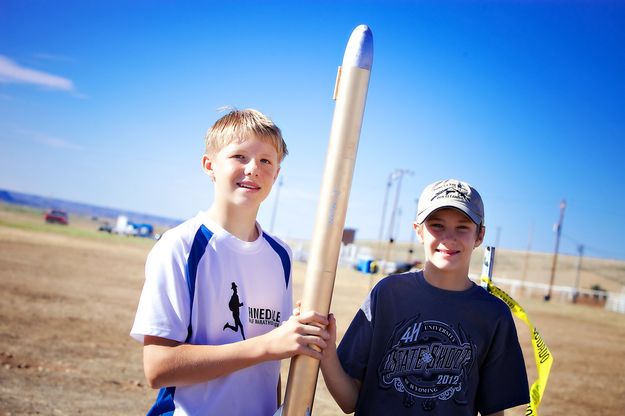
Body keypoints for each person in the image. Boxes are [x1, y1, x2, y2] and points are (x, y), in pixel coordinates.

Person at [130, 108, 329, 416]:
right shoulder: (181, 246)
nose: (253, 169)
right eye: (239, 156)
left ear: (276, 173)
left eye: (266, 160)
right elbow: (158, 367)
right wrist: (269, 345)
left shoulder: (280, 255)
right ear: (209, 165)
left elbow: (269, 370)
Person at [320, 179, 529, 415]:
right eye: (437, 225)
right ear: (418, 231)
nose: (449, 238)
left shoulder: (493, 314)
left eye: (462, 227)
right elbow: (349, 402)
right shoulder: (389, 293)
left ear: (479, 235)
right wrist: (327, 354)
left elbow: (494, 410)